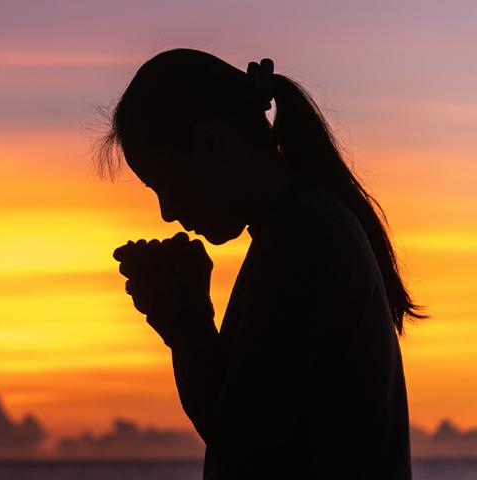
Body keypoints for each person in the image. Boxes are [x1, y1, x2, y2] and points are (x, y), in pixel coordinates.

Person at [94, 48, 425, 479]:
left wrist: (187, 321)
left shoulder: (304, 240)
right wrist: (184, 316)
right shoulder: (302, 228)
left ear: (209, 145)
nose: (167, 213)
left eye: (164, 185)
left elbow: (243, 443)